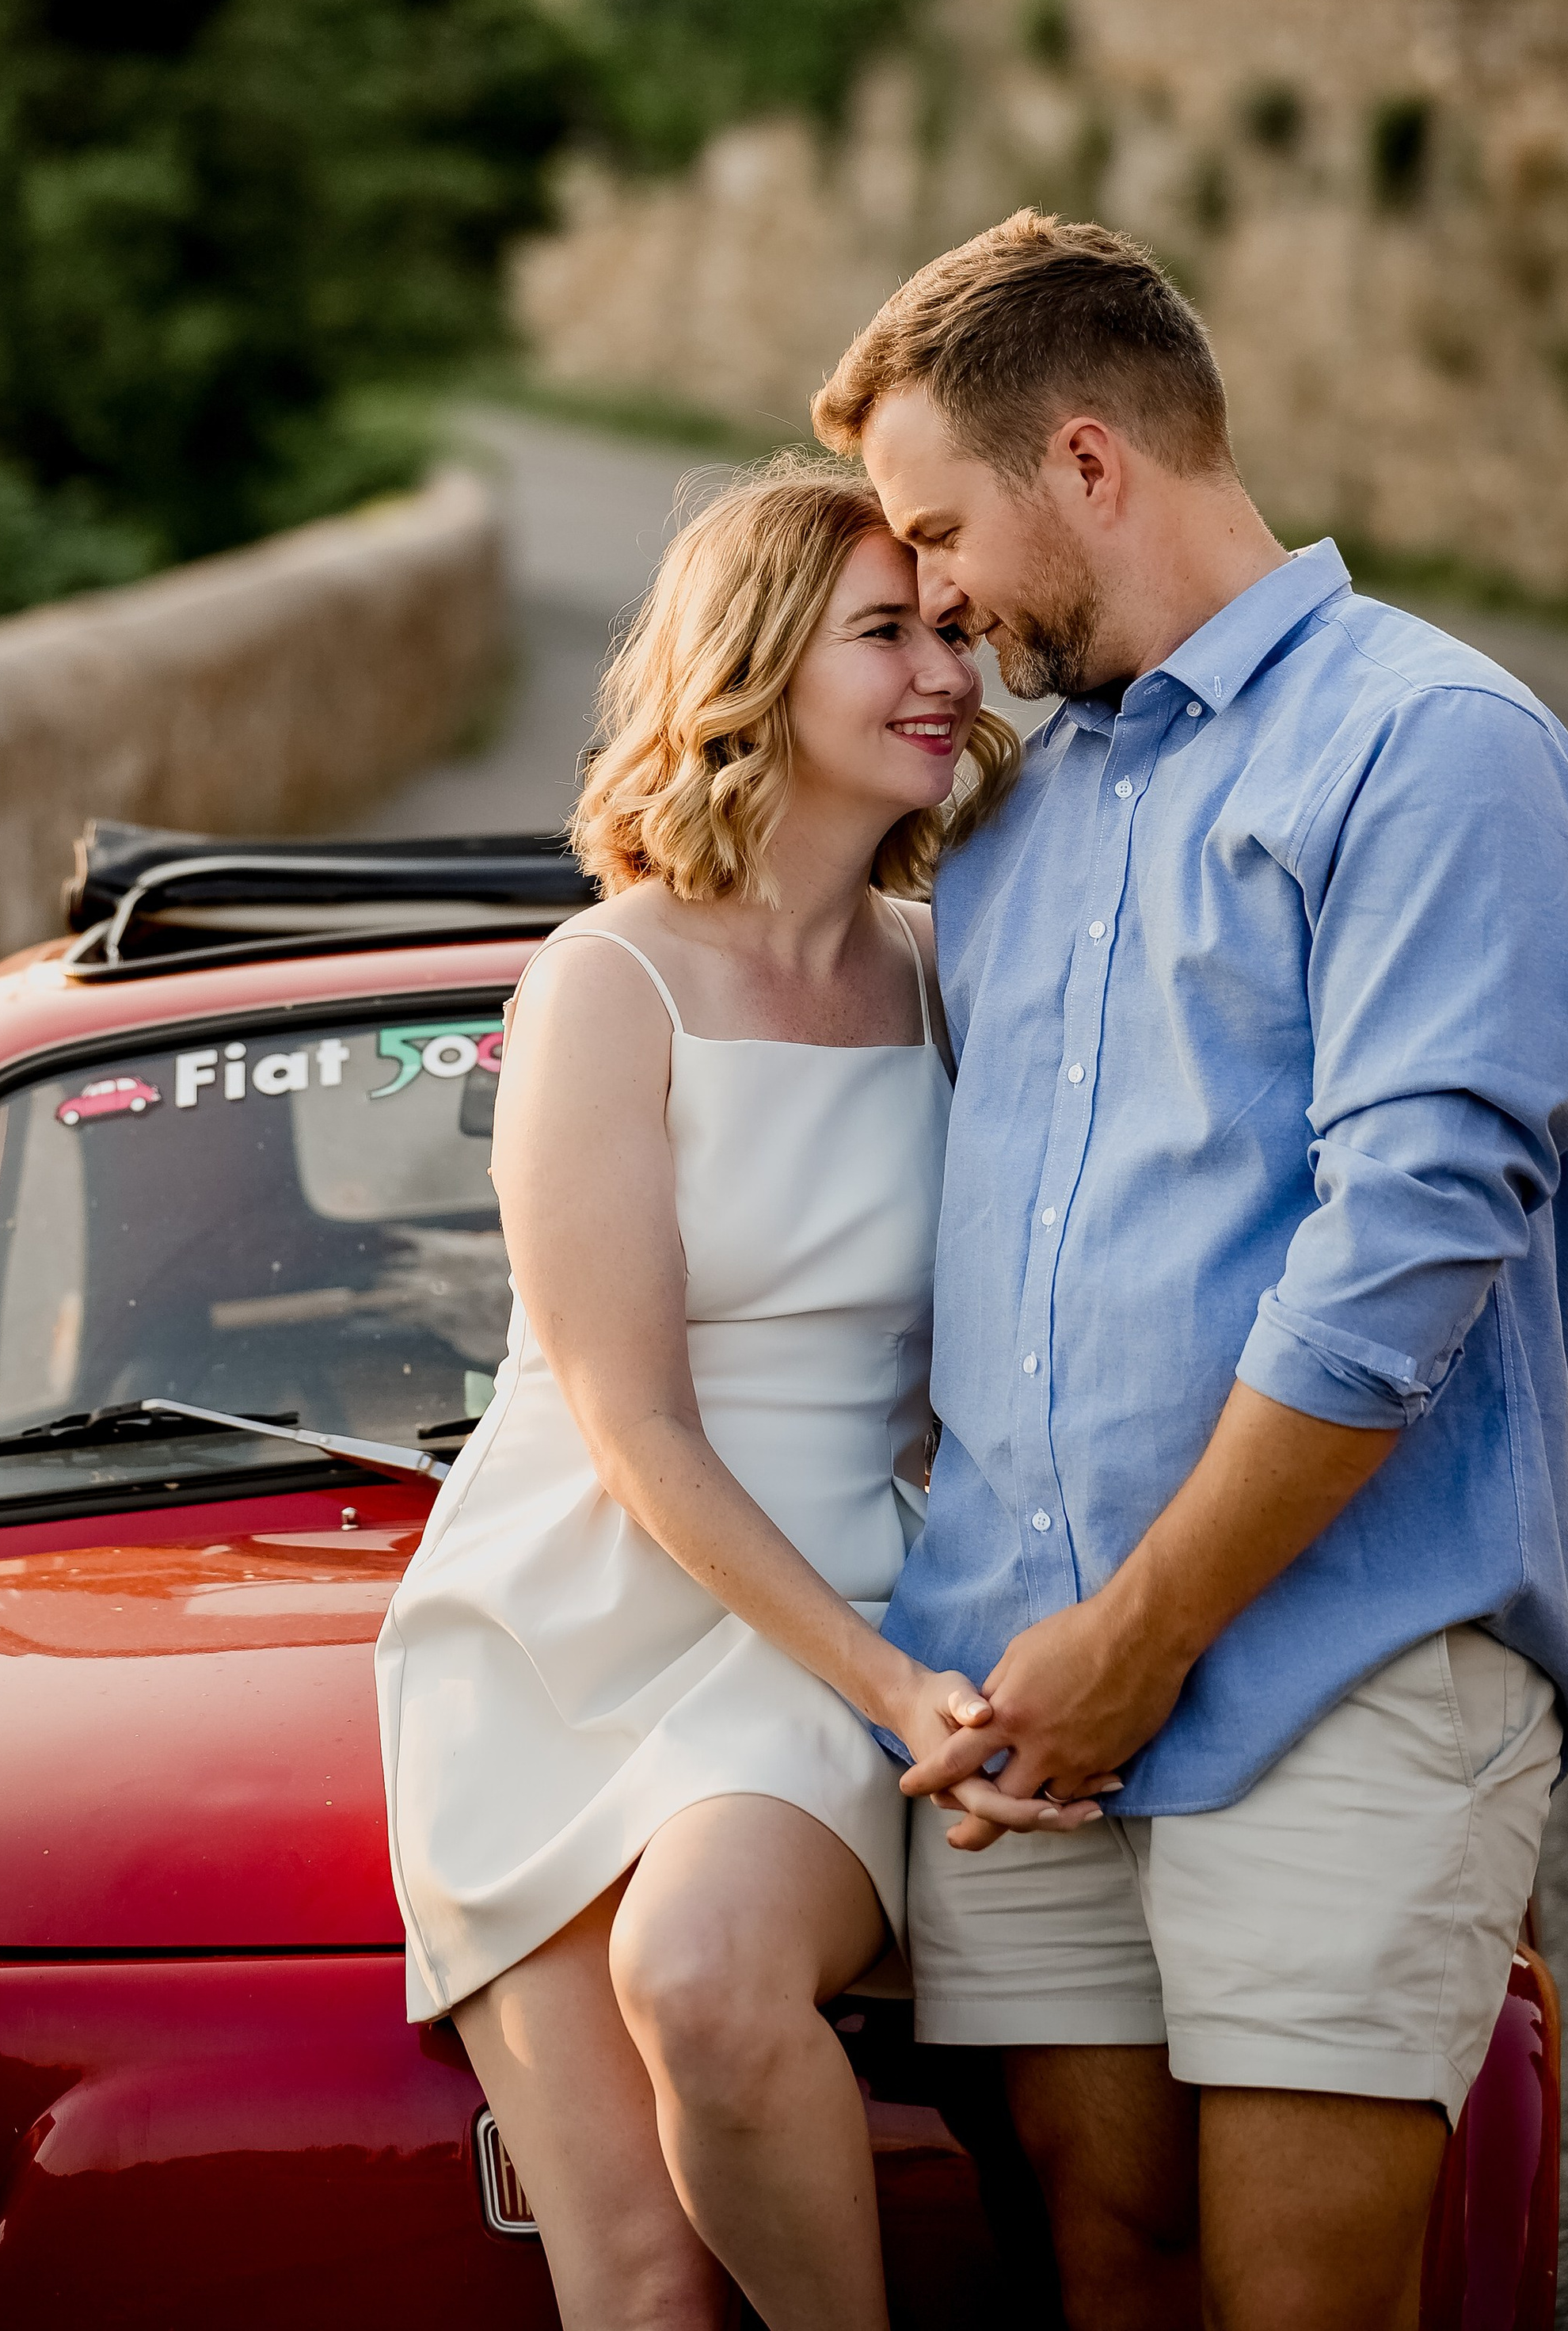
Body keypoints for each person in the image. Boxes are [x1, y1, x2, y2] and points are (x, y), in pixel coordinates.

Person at [814, 208, 1568, 2331]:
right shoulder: (1009, 816)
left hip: (1336, 1673)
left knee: (1301, 2302)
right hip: (1024, 1700)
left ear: (1087, 461)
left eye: (939, 530)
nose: (935, 599)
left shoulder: (1430, 745)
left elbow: (1409, 1246)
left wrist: (1145, 1634)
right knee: (1110, 2274)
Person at [377, 460, 1109, 2331]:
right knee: (631, 2279)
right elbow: (628, 1425)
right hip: (558, 1626)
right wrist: (896, 1690)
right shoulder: (603, 983)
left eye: (949, 630)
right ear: (755, 668)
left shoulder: (945, 977)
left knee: (704, 1976)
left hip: (828, 1605)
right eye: (884, 634)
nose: (945, 672)